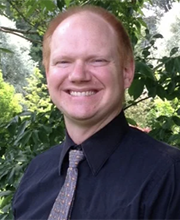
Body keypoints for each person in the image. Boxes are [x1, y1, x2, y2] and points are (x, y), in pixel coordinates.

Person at [13, 5, 180, 220]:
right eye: (63, 61)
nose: (78, 75)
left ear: (127, 72)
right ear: (48, 75)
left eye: (97, 60)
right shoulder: (35, 173)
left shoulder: (169, 176)